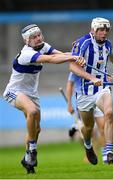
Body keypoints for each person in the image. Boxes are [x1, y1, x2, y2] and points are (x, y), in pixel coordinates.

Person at [3, 24, 102, 174]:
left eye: (38, 35)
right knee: (32, 111)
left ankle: (27, 160)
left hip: (32, 94)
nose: (37, 39)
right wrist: (73, 56)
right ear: (27, 41)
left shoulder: (43, 46)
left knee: (36, 130)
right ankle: (32, 151)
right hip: (14, 92)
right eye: (33, 37)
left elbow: (60, 54)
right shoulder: (26, 54)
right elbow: (51, 59)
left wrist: (75, 55)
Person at [70, 17, 113, 165]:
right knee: (88, 128)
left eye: (107, 30)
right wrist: (91, 78)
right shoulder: (83, 43)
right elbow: (73, 67)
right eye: (101, 29)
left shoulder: (107, 44)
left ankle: (108, 151)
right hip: (84, 92)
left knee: (109, 112)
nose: (105, 32)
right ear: (94, 30)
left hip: (102, 88)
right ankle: (88, 146)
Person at [66, 72, 106, 163]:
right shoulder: (76, 69)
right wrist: (69, 104)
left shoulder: (95, 65)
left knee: (103, 128)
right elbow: (69, 85)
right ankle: (89, 151)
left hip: (98, 98)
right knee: (87, 131)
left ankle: (105, 155)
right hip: (84, 102)